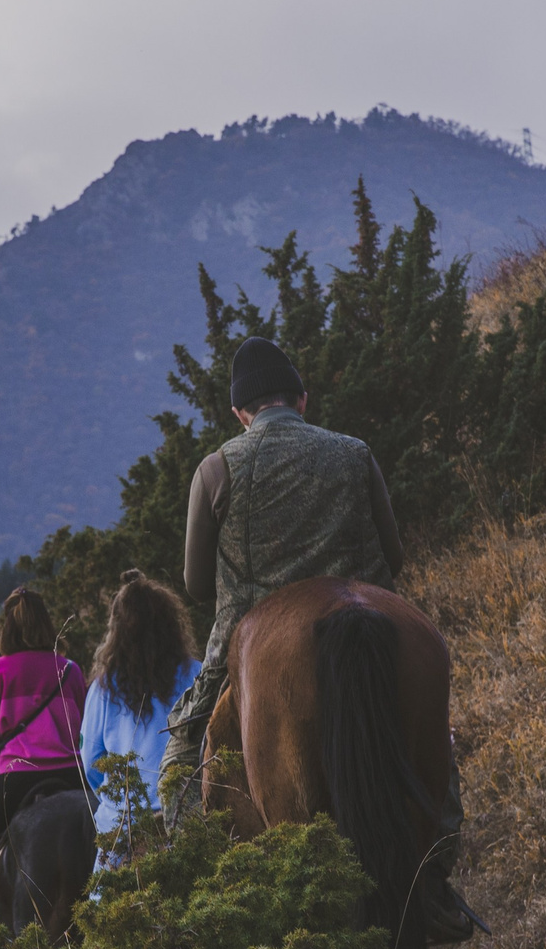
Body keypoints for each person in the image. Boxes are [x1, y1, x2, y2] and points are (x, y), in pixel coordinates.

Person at [158, 335, 405, 810]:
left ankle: (193, 851)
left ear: (240, 415)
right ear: (302, 400)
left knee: (179, 769)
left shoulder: (216, 469)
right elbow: (393, 560)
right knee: (434, 739)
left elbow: (196, 586)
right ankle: (441, 845)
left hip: (248, 637)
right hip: (369, 624)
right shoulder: (357, 453)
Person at [0, 588, 88, 896]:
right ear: (47, 623)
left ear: (7, 627)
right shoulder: (70, 670)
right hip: (73, 777)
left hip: (17, 778)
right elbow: (84, 730)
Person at [78, 569, 200, 859]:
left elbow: (91, 761)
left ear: (117, 630)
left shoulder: (103, 688)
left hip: (124, 827)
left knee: (104, 888)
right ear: (171, 623)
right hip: (184, 819)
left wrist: (116, 796)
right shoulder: (197, 673)